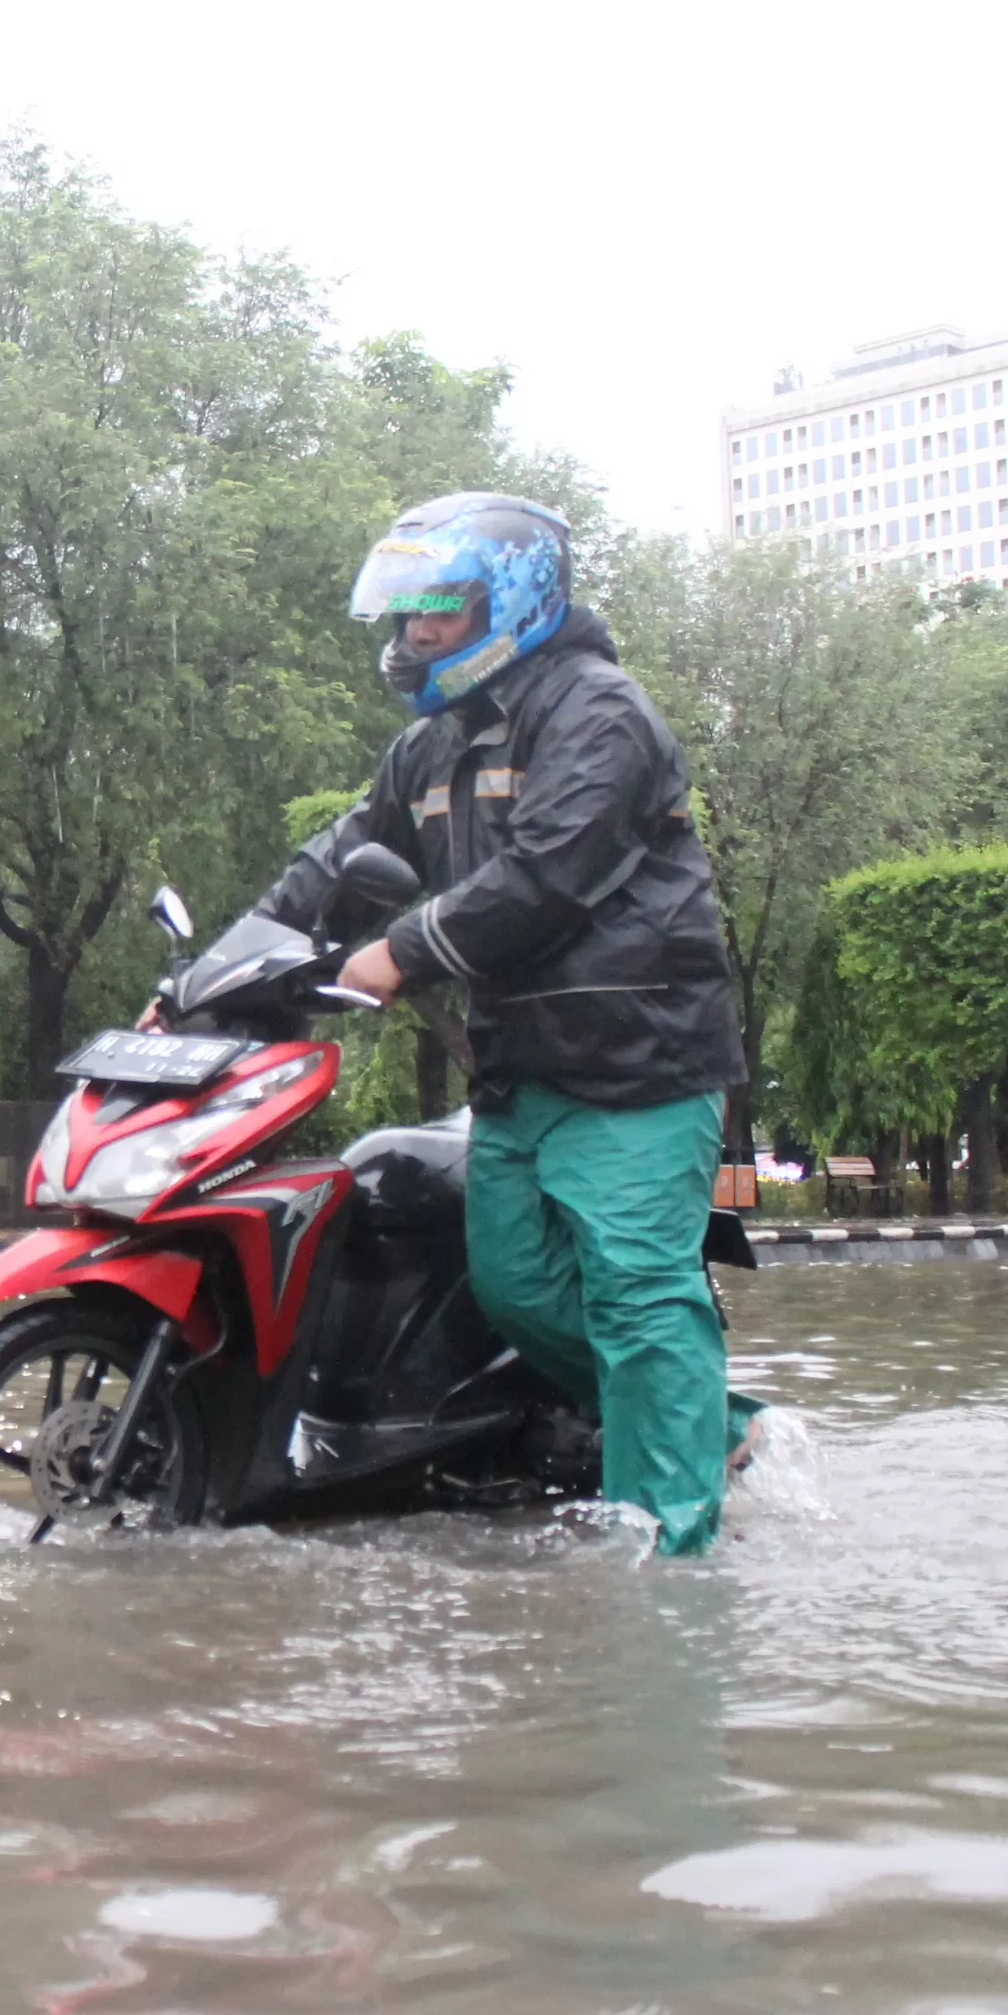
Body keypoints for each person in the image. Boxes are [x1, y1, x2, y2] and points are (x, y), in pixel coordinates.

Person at [253, 492, 748, 1554]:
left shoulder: (598, 712)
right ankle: (715, 1427)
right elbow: (336, 859)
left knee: (634, 1293)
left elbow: (544, 878)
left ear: (510, 603)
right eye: (405, 614)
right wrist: (224, 963)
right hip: (521, 1072)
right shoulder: (429, 748)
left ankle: (666, 1562)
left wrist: (400, 950)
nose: (415, 633)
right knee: (518, 1289)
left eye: (441, 607)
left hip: (639, 1066)